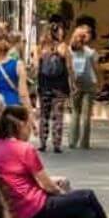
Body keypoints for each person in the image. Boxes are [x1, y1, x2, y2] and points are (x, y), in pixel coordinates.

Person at [35, 22, 74, 153]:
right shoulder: (63, 47)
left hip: (45, 85)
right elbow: (69, 67)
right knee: (58, 115)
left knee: (44, 115)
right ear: (58, 33)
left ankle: (42, 142)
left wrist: (37, 83)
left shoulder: (40, 48)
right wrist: (72, 83)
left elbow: (36, 68)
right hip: (60, 87)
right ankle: (57, 144)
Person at [70, 25, 100, 149]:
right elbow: (96, 69)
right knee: (86, 114)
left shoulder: (70, 50)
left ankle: (73, 141)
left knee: (75, 112)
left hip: (76, 83)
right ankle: (84, 142)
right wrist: (99, 82)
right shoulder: (91, 52)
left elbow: (69, 67)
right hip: (89, 84)